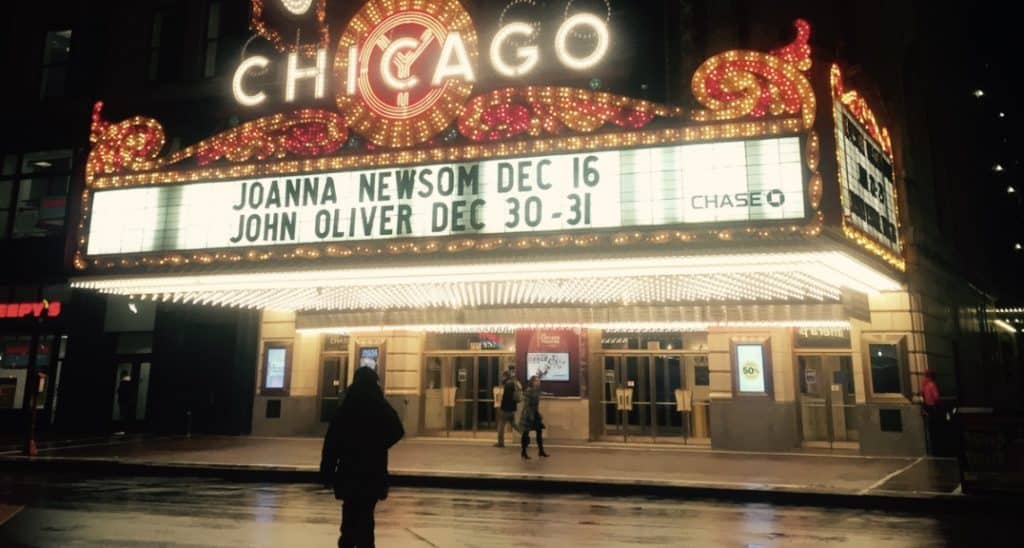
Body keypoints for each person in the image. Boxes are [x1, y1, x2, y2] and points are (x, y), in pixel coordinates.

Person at [321, 366, 404, 548]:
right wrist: (379, 444)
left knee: (349, 520)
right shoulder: (379, 404)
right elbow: (397, 429)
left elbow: (331, 443)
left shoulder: (347, 406)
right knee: (367, 520)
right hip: (372, 471)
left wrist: (327, 473)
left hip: (349, 470)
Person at [519, 375, 549, 459]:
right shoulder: (529, 391)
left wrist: (538, 413)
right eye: (536, 381)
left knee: (539, 431)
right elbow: (527, 405)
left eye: (538, 381)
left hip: (534, 413)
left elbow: (540, 396)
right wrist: (530, 415)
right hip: (528, 414)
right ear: (532, 382)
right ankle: (523, 452)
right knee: (526, 433)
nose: (538, 382)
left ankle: (541, 451)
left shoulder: (536, 391)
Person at [495, 365, 522, 448]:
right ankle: (525, 435)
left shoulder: (508, 384)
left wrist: (502, 408)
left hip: (506, 409)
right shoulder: (513, 383)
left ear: (505, 376)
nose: (501, 378)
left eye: (502, 376)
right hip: (512, 409)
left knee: (501, 426)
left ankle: (500, 443)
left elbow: (507, 398)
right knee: (513, 424)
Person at [921, 369, 941, 453]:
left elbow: (922, 395)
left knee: (929, 428)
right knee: (935, 428)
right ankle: (936, 448)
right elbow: (936, 397)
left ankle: (930, 448)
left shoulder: (924, 385)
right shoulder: (932, 385)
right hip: (933, 408)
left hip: (926, 407)